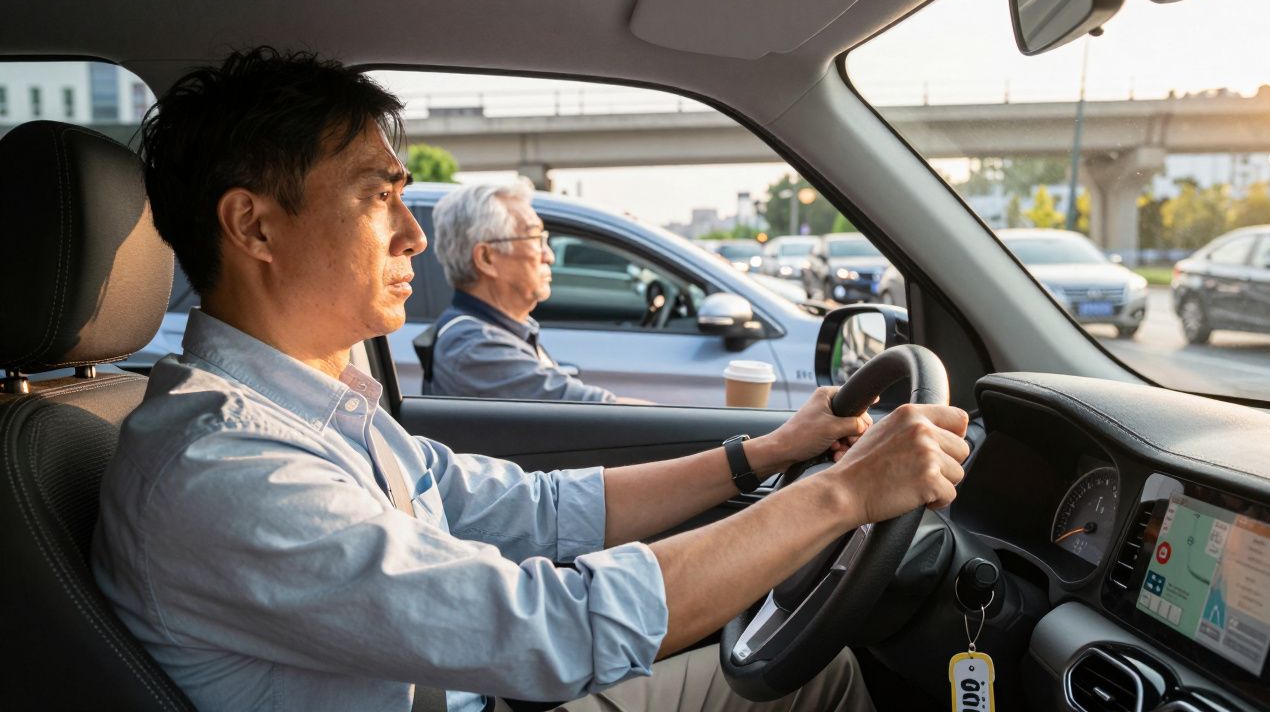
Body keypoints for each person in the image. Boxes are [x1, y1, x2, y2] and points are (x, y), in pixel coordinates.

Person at [91, 47, 971, 712]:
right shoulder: (229, 471)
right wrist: (842, 495)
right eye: (377, 195)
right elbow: (553, 626)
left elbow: (532, 511)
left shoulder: (311, 413)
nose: (412, 233)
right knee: (817, 683)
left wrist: (766, 455)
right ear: (253, 226)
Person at [417, 181, 629, 402]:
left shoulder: (498, 331)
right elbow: (598, 410)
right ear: (487, 258)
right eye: (535, 239)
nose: (549, 255)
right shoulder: (475, 348)